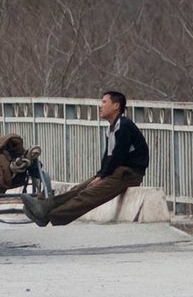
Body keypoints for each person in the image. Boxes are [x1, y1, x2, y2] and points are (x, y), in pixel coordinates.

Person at [21, 90, 148, 226]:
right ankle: (44, 207)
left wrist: (103, 176)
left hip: (128, 174)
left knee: (87, 195)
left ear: (116, 106)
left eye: (105, 102)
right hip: (118, 171)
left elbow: (118, 155)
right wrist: (100, 174)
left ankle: (48, 216)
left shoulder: (124, 126)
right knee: (78, 189)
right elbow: (109, 155)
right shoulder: (113, 127)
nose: (101, 106)